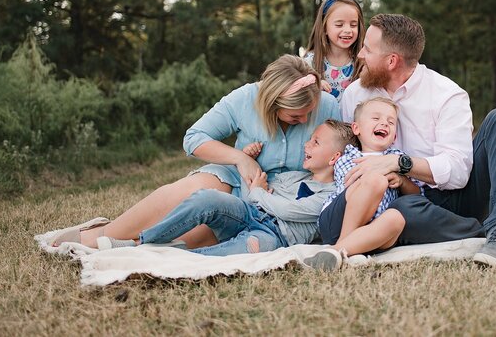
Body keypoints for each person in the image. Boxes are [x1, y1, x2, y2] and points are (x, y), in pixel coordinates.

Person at [335, 14, 496, 269]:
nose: (360, 55)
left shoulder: (446, 94)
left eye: (367, 50)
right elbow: (352, 151)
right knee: (399, 213)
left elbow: (458, 173)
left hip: (456, 199)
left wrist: (399, 163)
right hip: (398, 201)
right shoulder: (355, 94)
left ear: (392, 61)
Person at [49, 54, 340, 249]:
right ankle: (101, 234)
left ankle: (132, 244)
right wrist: (239, 158)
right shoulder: (245, 98)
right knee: (198, 187)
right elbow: (194, 138)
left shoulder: (326, 104)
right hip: (237, 179)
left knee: (186, 242)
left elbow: (347, 148)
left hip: (285, 197)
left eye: (308, 113)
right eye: (295, 116)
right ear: (272, 103)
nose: (305, 121)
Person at [97, 120, 357, 256]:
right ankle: (140, 242)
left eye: (315, 142)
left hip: (276, 236)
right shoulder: (296, 177)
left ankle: (179, 255)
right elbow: (255, 190)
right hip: (248, 213)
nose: (306, 145)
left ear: (334, 157)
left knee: (253, 249)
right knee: (207, 198)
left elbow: (287, 210)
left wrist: (259, 193)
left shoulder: (330, 196)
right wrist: (250, 164)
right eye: (309, 140)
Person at [303, 98, 422, 270]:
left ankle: (338, 253)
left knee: (397, 219)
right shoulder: (348, 157)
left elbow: (416, 195)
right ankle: (342, 247)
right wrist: (381, 172)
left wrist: (402, 181)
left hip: (372, 233)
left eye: (391, 122)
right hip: (338, 221)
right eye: (376, 119)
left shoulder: (398, 158)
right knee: (376, 180)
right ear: (356, 128)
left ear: (395, 136)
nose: (384, 123)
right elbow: (352, 183)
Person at [303, 0, 365, 100]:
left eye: (353, 25)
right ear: (324, 27)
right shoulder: (309, 62)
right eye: (339, 25)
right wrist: (313, 85)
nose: (347, 30)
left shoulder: (362, 62)